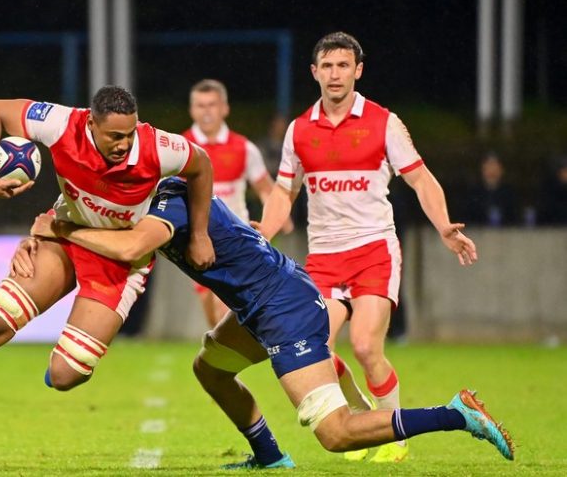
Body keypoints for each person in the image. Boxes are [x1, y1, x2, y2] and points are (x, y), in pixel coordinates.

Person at [27, 177, 513, 469]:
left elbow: (130, 248)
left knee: (336, 435)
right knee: (210, 368)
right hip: (263, 302)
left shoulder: (166, 204)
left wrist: (62, 228)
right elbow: (103, 222)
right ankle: (270, 457)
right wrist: (45, 229)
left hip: (283, 310)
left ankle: (457, 413)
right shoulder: (161, 191)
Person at [0, 86, 215, 440]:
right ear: (91, 123)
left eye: (130, 134)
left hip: (118, 260)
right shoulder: (62, 124)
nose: (124, 144)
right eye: (115, 136)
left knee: (65, 375)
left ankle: (73, 356)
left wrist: (200, 234)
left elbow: (201, 165)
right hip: (62, 239)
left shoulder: (158, 147)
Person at [255, 32, 478, 463]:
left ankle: (394, 432)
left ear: (358, 71)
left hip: (373, 250)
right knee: (318, 349)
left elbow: (420, 178)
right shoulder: (299, 130)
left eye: (343, 65)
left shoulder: (383, 122)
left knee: (365, 347)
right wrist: (262, 232)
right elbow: (284, 191)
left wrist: (444, 227)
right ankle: (359, 414)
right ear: (314, 72)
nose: (335, 73)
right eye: (327, 65)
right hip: (322, 257)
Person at [183, 79, 280, 326]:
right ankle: (225, 359)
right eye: (200, 105)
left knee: (223, 309)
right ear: (191, 109)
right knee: (214, 323)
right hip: (197, 242)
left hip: (236, 239)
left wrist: (273, 223)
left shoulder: (243, 148)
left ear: (224, 108)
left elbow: (267, 190)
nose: (206, 112)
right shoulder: (179, 147)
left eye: (212, 105)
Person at [463, 153, 519, 227]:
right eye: (489, 166)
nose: (492, 170)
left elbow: (514, 221)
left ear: (501, 170)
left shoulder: (509, 194)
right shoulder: (474, 194)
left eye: (495, 167)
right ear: (483, 169)